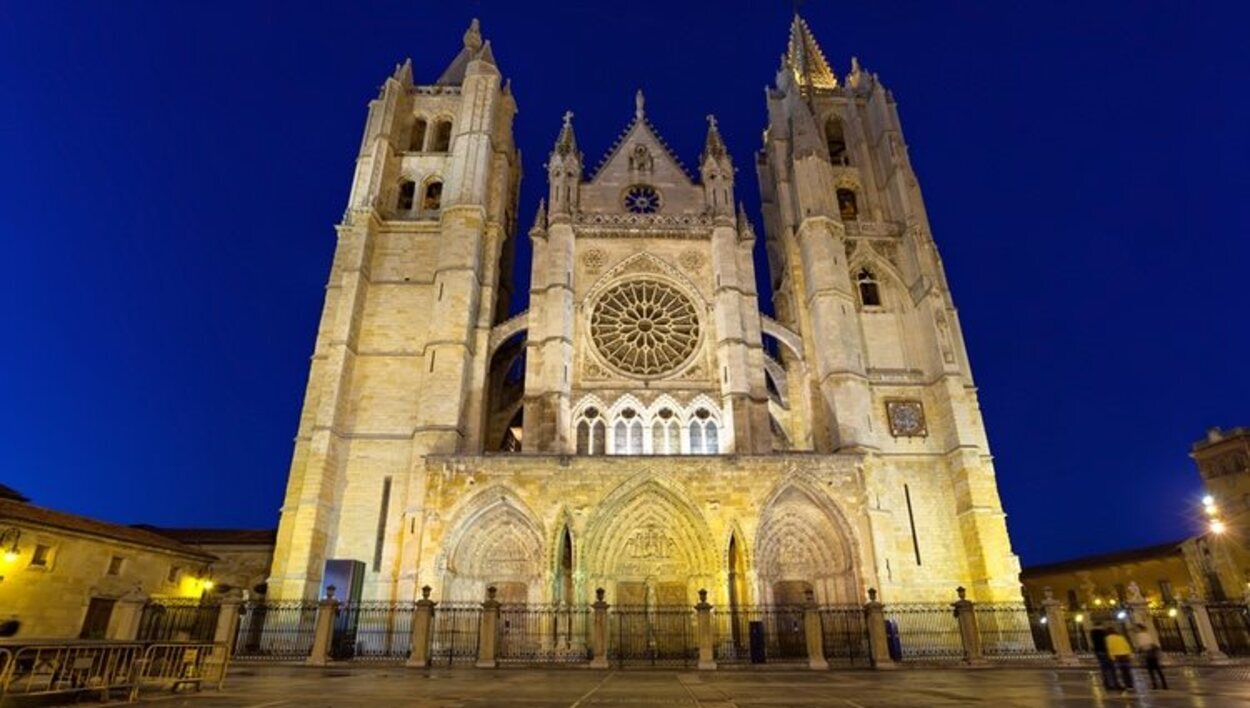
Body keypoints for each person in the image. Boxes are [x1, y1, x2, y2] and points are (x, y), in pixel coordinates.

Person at [1132, 623, 1167, 689]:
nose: (1136, 630)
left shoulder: (1141, 635)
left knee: (1151, 671)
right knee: (1157, 670)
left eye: (1137, 628)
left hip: (1148, 653)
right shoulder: (1148, 634)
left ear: (1139, 628)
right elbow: (1153, 643)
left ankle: (1155, 685)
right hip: (1152, 652)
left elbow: (1142, 645)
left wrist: (1138, 652)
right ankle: (1164, 684)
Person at [1089, 624, 1121, 690]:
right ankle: (1114, 683)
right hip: (1106, 652)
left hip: (1099, 652)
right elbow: (1107, 643)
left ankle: (1107, 684)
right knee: (1111, 669)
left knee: (1105, 669)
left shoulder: (1093, 633)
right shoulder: (1103, 633)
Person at [1106, 627, 1136, 693]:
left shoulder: (1108, 638)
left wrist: (1112, 657)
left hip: (1117, 656)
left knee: (1121, 671)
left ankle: (1125, 684)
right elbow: (1127, 646)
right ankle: (1130, 685)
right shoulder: (1120, 637)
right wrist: (1130, 654)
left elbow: (1109, 647)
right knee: (1127, 671)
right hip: (1125, 655)